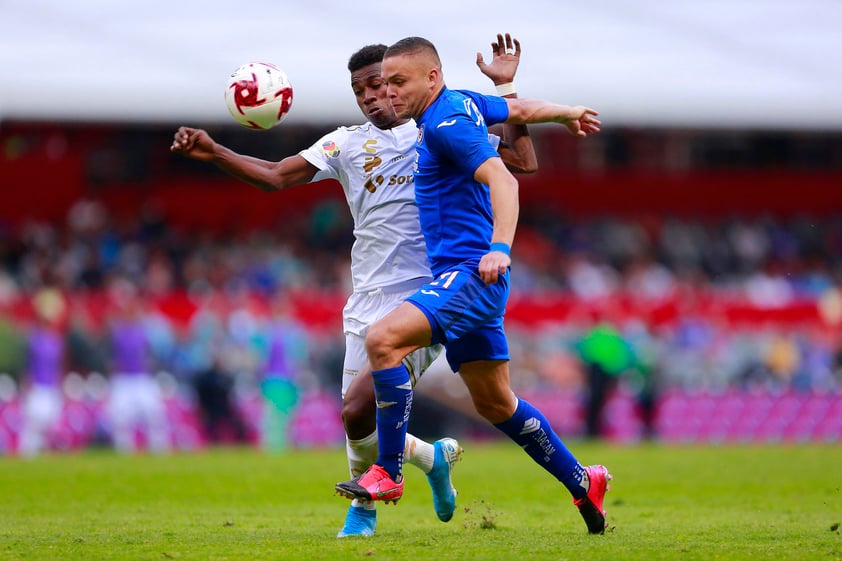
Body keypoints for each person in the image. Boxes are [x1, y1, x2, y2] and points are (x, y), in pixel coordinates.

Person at [170, 33, 536, 538]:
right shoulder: (343, 143)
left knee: (360, 405)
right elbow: (277, 175)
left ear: (396, 84)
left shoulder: (438, 129)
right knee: (355, 420)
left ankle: (362, 512)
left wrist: (507, 91)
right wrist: (214, 151)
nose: (369, 95)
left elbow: (520, 162)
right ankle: (432, 459)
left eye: (377, 84)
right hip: (365, 296)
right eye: (359, 89)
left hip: (428, 294)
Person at [334, 36, 611, 535]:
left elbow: (508, 180)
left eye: (399, 82)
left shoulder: (443, 125)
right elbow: (515, 106)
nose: (390, 94)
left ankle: (389, 473)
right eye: (384, 84)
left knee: (382, 340)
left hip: (469, 275)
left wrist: (500, 248)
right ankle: (583, 479)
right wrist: (564, 110)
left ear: (431, 77)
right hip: (473, 284)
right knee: (496, 404)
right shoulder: (461, 102)